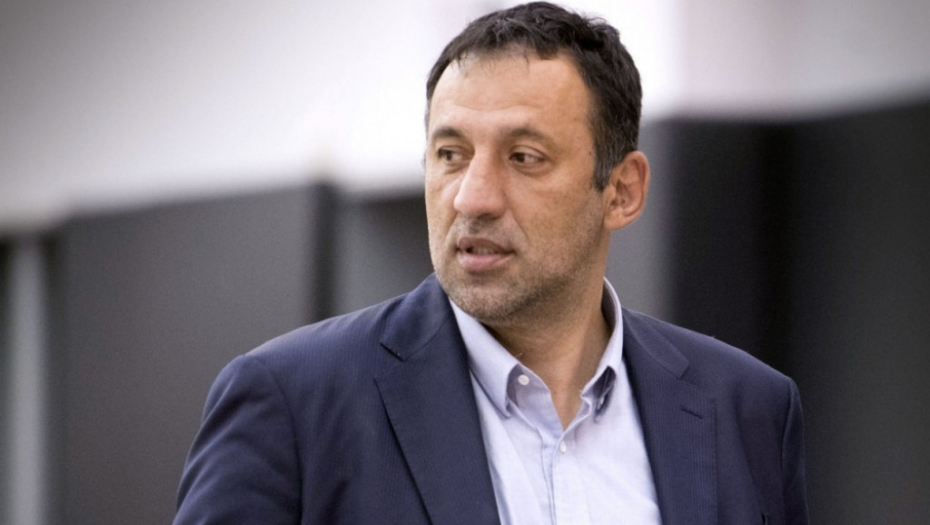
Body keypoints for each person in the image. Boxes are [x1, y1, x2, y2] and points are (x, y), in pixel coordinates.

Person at [173, 3, 809, 524]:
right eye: (450, 154)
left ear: (622, 191)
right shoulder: (292, 403)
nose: (472, 197)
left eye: (524, 157)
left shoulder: (747, 409)